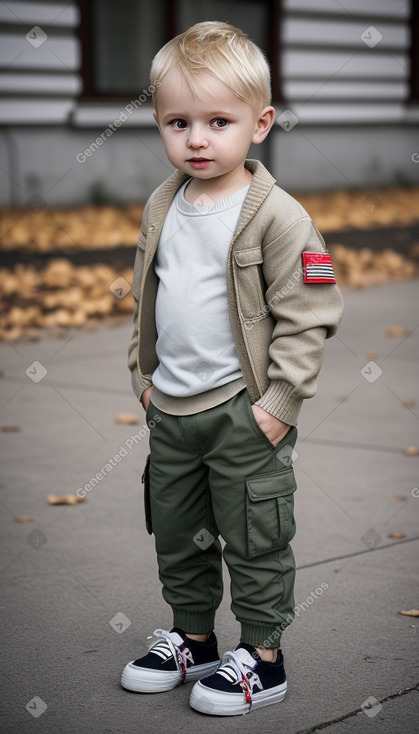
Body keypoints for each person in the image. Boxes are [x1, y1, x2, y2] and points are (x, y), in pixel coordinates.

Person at [121, 20, 344, 717]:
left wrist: (277, 402)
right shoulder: (163, 205)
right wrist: (145, 380)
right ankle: (194, 640)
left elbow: (308, 313)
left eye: (218, 121)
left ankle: (264, 658)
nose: (196, 139)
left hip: (241, 409)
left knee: (255, 535)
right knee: (178, 531)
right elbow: (148, 297)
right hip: (174, 409)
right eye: (177, 122)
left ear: (260, 123)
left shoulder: (277, 217)